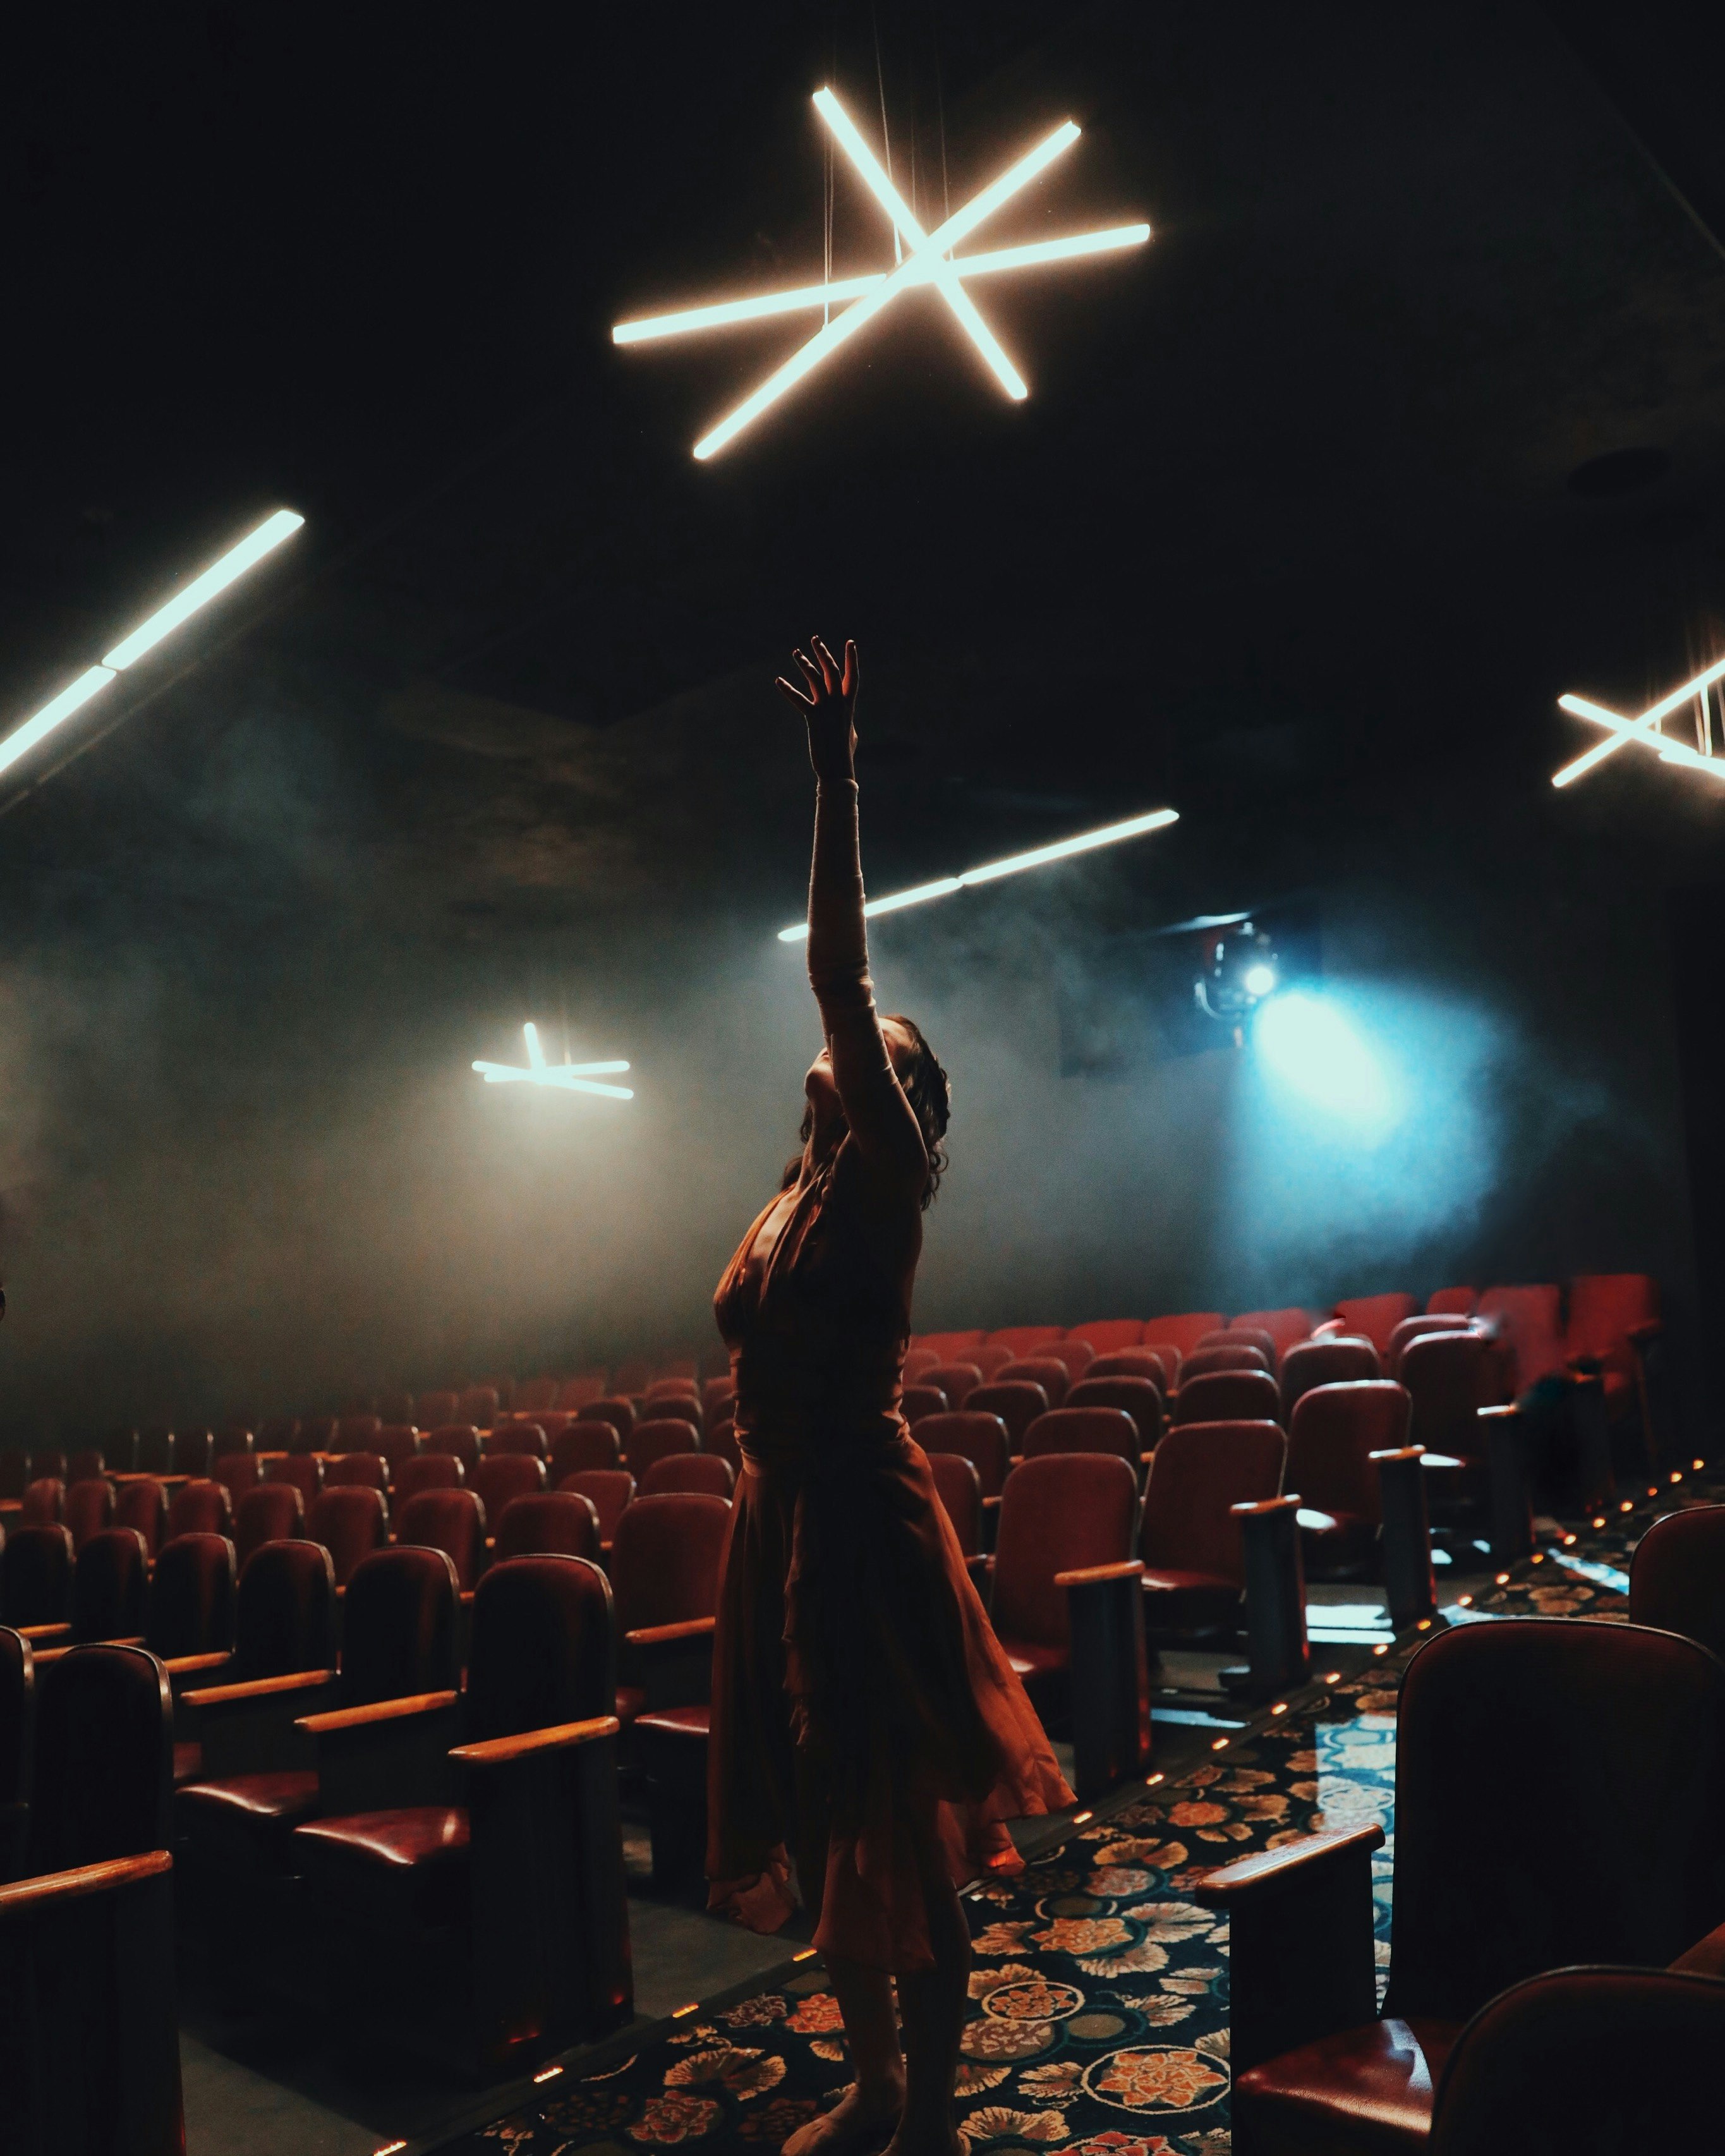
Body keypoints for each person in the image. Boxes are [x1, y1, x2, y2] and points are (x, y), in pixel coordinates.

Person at [707, 635, 1072, 2156]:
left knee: (892, 1817)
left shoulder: (884, 1189)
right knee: (816, 1803)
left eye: (878, 1049)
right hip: (777, 1509)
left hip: (859, 1514)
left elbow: (840, 972)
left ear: (898, 1094)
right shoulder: (789, 1196)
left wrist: (833, 778)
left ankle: (923, 2103)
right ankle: (871, 2078)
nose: (854, 1039)